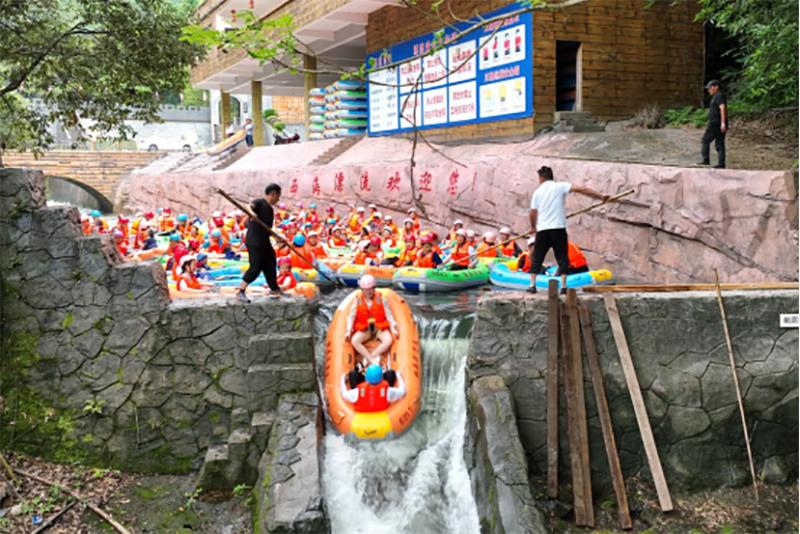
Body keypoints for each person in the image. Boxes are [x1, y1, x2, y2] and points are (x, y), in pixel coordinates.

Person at [528, 166, 608, 294]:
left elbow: (532, 213)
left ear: (541, 177)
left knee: (537, 258)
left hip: (543, 229)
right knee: (562, 257)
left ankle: (532, 285)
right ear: (551, 176)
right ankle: (564, 286)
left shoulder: (537, 192)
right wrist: (601, 196)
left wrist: (533, 227)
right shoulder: (560, 186)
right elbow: (582, 189)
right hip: (558, 228)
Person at [238, 183, 283, 303]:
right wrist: (251, 213)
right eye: (278, 196)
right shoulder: (260, 202)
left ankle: (274, 289)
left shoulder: (270, 209)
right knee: (256, 267)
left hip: (264, 241)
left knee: (271, 262)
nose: (278, 199)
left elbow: (267, 228)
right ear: (273, 194)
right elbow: (248, 206)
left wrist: (277, 237)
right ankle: (241, 291)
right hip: (254, 241)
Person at [345, 275, 399, 366]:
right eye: (366, 289)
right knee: (354, 341)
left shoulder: (381, 298)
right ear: (362, 290)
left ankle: (372, 356)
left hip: (378, 327)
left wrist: (393, 327)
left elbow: (388, 314)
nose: (368, 292)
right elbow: (351, 316)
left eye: (370, 289)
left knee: (388, 340)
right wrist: (348, 329)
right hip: (365, 329)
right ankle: (371, 359)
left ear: (374, 288)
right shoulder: (357, 300)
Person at [341, 364, 406, 410]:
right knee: (391, 373)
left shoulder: (357, 392)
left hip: (362, 407)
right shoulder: (387, 392)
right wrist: (399, 376)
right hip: (382, 407)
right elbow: (403, 392)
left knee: (353, 374)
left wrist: (342, 379)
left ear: (366, 378)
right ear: (381, 378)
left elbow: (344, 394)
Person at [700, 80, 727, 169]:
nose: (709, 90)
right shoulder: (717, 96)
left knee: (705, 140)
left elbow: (722, 108)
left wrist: (722, 123)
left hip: (716, 123)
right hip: (718, 123)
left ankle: (706, 160)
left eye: (710, 88)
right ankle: (721, 164)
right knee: (719, 143)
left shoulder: (718, 96)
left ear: (716, 87)